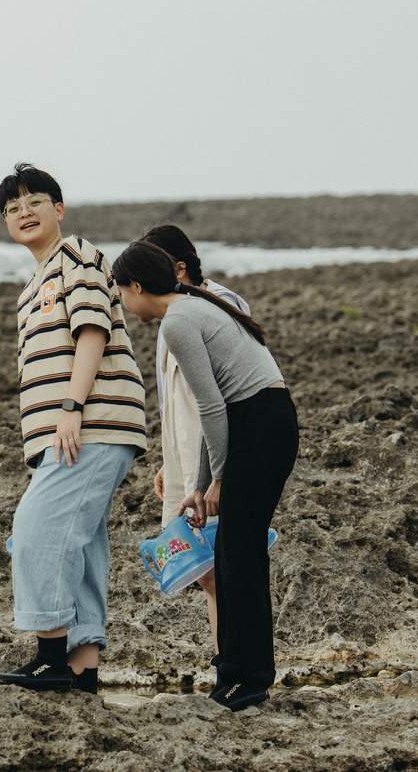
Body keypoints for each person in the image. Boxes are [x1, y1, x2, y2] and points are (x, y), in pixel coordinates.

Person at [112, 240, 298, 712]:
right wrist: (199, 484)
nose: (124, 305)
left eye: (122, 294)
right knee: (232, 551)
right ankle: (237, 672)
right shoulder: (191, 308)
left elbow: (214, 409)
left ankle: (248, 678)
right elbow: (211, 415)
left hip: (259, 424)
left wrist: (219, 479)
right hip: (259, 422)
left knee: (240, 553)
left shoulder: (178, 321)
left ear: (136, 286)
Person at [0, 163, 147, 695]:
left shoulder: (76, 256)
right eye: (12, 208)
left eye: (34, 202)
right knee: (78, 544)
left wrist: (72, 406)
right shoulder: (33, 282)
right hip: (72, 429)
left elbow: (92, 331)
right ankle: (82, 667)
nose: (23, 213)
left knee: (36, 531)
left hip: (92, 422)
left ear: (59, 208)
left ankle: (50, 657)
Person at [139, 224, 250, 655]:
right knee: (204, 567)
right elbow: (174, 400)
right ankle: (227, 660)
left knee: (222, 564)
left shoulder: (220, 305)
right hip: (189, 457)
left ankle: (237, 661)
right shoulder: (173, 317)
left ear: (178, 268)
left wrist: (217, 471)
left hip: (219, 456)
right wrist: (172, 462)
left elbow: (226, 397)